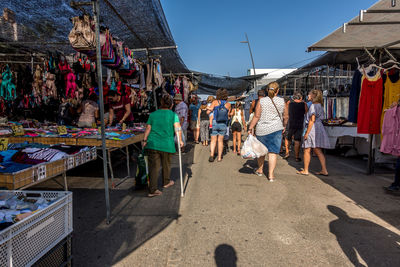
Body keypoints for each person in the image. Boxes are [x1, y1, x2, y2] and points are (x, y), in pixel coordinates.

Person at [142, 95, 183, 197]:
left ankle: (152, 190)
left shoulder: (153, 114)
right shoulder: (173, 115)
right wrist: (180, 140)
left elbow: (148, 128)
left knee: (153, 167)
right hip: (167, 144)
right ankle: (166, 182)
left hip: (153, 143)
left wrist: (144, 140)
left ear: (161, 103)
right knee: (166, 164)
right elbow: (178, 128)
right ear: (171, 104)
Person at [248, 82, 285, 181]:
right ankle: (271, 175)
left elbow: (256, 116)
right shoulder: (282, 101)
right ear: (277, 91)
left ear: (268, 90)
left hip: (262, 130)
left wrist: (250, 127)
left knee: (261, 152)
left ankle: (260, 170)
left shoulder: (262, 101)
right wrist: (284, 125)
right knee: (273, 153)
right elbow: (286, 116)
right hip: (276, 129)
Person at [297, 89, 330, 176]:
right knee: (318, 150)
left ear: (313, 96)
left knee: (307, 149)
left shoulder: (313, 106)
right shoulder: (320, 105)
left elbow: (312, 120)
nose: (308, 95)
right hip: (319, 128)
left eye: (309, 94)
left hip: (312, 128)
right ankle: (324, 170)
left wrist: (307, 133)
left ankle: (306, 170)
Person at [207, 88, 231, 162]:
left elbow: (209, 111)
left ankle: (212, 155)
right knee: (220, 141)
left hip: (215, 122)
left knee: (213, 140)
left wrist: (208, 108)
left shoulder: (215, 102)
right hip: (223, 124)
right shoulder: (228, 104)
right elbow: (229, 115)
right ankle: (219, 157)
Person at [283, 92, 308, 161]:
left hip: (290, 123)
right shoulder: (304, 104)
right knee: (297, 140)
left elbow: (287, 113)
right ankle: (296, 157)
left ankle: (287, 153)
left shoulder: (289, 104)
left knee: (288, 138)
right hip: (299, 123)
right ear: (301, 98)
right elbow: (306, 113)